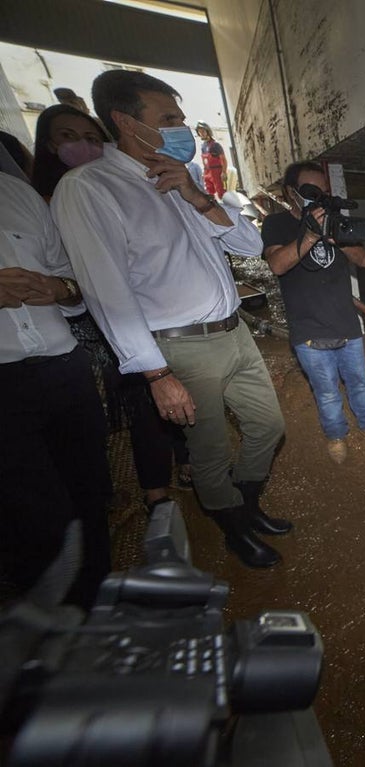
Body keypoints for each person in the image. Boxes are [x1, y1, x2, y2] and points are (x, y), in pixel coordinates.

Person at [50, 70, 290, 569]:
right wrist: (157, 374)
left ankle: (244, 503)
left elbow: (250, 246)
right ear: (124, 121)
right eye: (168, 119)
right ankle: (233, 526)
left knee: (268, 427)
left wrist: (198, 197)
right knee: (208, 450)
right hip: (180, 347)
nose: (181, 127)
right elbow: (106, 290)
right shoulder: (91, 188)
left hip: (234, 332)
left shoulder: (183, 177)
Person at [30, 103, 192, 508]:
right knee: (129, 401)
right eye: (68, 137)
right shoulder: (43, 199)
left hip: (125, 311)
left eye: (90, 137)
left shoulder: (115, 187)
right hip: (77, 320)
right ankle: (140, 491)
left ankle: (173, 470)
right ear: (48, 145)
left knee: (154, 399)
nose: (82, 145)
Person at [0, 170, 112, 609]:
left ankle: (97, 609)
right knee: (31, 515)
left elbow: (72, 281)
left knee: (91, 496)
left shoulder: (17, 193)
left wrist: (58, 287)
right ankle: (52, 623)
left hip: (65, 369)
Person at [262, 160, 365, 464]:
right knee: (326, 391)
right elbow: (277, 265)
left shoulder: (336, 220)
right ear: (291, 192)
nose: (318, 197)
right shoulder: (276, 224)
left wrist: (334, 235)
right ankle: (336, 436)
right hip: (308, 329)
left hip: (347, 325)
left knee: (359, 384)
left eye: (323, 191)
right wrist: (310, 235)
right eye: (310, 191)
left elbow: (363, 260)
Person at [195, 121, 227, 199]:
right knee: (209, 194)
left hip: (216, 172)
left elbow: (223, 160)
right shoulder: (203, 146)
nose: (201, 133)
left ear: (207, 131)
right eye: (199, 132)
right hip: (207, 172)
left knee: (220, 192)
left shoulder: (216, 145)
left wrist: (223, 172)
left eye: (203, 131)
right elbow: (204, 161)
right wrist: (204, 173)